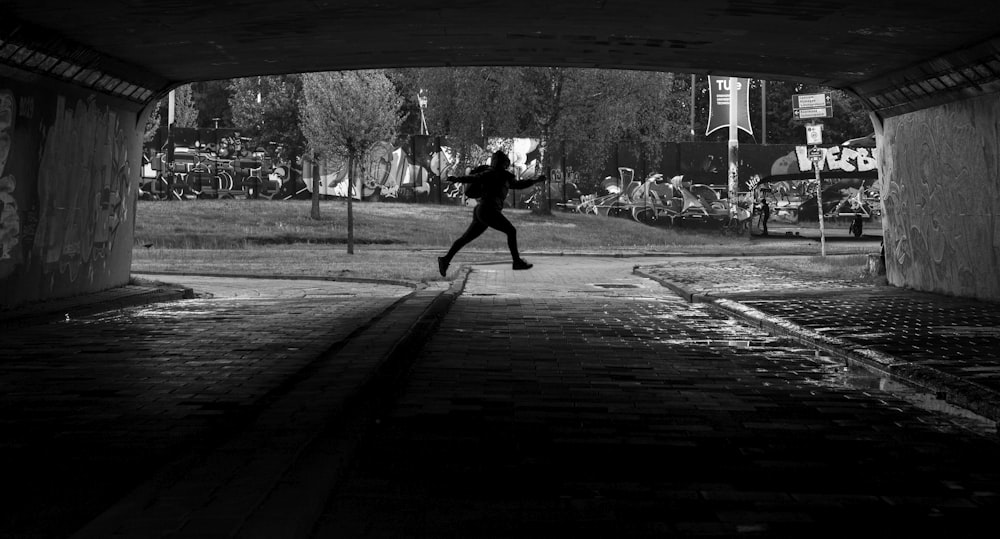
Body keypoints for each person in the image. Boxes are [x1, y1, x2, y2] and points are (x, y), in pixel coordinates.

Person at [438, 151, 546, 276]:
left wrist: (535, 180)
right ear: (504, 163)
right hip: (489, 211)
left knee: (465, 238)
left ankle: (445, 259)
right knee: (511, 231)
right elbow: (474, 178)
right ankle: (517, 262)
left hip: (481, 210)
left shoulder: (495, 175)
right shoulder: (499, 175)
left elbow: (517, 184)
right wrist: (457, 179)